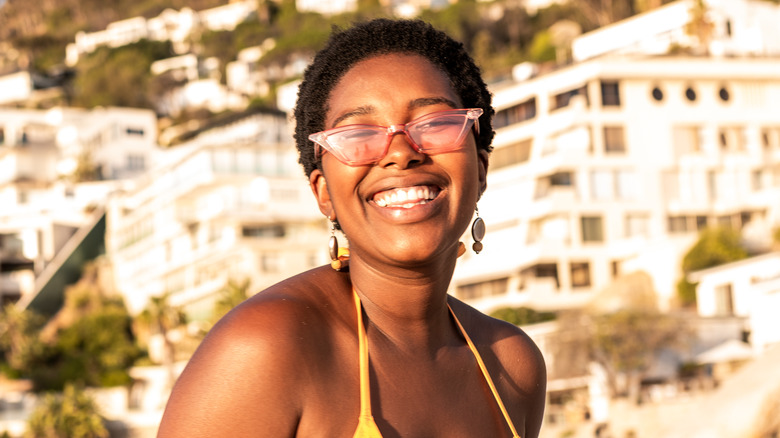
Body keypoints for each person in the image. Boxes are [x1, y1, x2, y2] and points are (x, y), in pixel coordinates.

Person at [157, 18, 546, 438]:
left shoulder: (511, 366)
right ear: (323, 192)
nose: (400, 152)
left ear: (481, 169)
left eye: (434, 123)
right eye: (359, 133)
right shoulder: (268, 348)